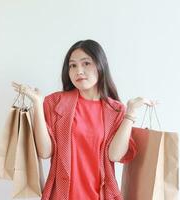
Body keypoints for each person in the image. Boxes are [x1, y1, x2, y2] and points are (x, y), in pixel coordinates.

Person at [11, 39, 157, 200]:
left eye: (86, 63)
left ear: (101, 65)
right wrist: (37, 104)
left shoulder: (115, 110)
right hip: (62, 195)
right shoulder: (55, 102)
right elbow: (45, 152)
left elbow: (114, 156)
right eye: (72, 65)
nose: (78, 71)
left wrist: (130, 113)